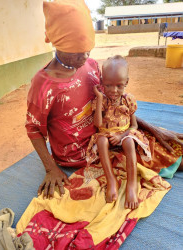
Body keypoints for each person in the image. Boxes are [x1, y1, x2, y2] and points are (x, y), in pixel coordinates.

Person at [26, 0, 183, 201]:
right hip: (81, 154)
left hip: (111, 134)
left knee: (167, 143)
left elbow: (113, 105)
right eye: (77, 52)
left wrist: (150, 128)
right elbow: (33, 129)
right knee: (162, 158)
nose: (85, 57)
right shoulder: (44, 84)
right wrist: (51, 169)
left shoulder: (90, 66)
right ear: (59, 45)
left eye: (88, 50)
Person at [86, 55, 151, 209]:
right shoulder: (99, 100)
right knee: (101, 141)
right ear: (102, 83)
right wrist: (100, 98)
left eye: (119, 86)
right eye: (108, 85)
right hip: (105, 135)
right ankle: (111, 180)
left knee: (129, 141)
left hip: (124, 135)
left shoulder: (128, 100)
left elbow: (133, 126)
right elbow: (97, 125)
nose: (114, 90)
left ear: (126, 82)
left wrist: (121, 135)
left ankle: (131, 184)